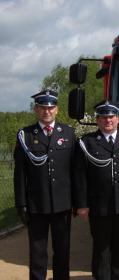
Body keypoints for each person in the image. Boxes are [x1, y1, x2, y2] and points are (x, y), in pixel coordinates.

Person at [74, 100, 119, 280]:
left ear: (117, 119)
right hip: (98, 205)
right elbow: (80, 177)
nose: (108, 121)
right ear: (98, 120)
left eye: (111, 117)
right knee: (101, 247)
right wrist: (81, 205)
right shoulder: (87, 142)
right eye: (104, 117)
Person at [13, 89, 75, 280]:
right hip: (36, 204)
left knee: (62, 251)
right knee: (38, 252)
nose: (46, 111)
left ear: (56, 109)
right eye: (42, 108)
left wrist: (79, 201)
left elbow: (75, 171)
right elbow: (20, 173)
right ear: (36, 110)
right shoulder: (26, 135)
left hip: (62, 204)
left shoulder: (68, 133)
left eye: (50, 107)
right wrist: (21, 203)